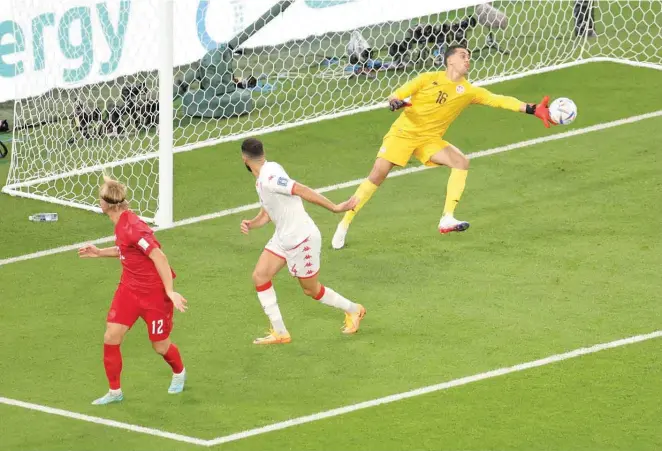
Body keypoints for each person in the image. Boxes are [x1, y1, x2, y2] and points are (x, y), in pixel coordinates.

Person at [331, 44, 553, 250]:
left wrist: (533, 109)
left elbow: (499, 100)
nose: (468, 60)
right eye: (463, 56)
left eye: (469, 57)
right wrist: (395, 101)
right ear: (450, 61)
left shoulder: (468, 91)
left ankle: (447, 217)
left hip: (429, 140)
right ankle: (345, 222)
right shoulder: (427, 79)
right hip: (404, 134)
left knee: (461, 162)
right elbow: (396, 95)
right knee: (377, 175)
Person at [240, 138, 366, 344]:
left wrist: (335, 207)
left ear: (244, 159)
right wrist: (252, 223)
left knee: (310, 289)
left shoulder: (269, 177)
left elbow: (301, 190)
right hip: (283, 237)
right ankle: (280, 332)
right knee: (260, 276)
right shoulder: (267, 172)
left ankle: (354, 310)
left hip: (302, 240)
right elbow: (269, 211)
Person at [78, 176, 188, 405]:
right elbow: (124, 251)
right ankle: (115, 392)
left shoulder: (134, 228)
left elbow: (159, 256)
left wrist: (169, 291)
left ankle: (179, 372)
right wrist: (99, 252)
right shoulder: (120, 223)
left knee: (160, 345)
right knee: (111, 336)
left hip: (154, 295)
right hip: (129, 290)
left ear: (106, 204)